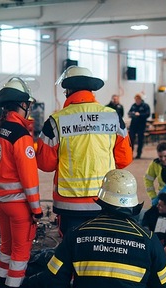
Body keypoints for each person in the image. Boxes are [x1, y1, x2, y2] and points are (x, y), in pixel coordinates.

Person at [35, 66, 133, 237]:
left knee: (71, 251)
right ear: (91, 89)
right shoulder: (112, 116)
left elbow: (45, 164)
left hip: (69, 204)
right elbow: (124, 159)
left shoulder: (55, 121)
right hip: (105, 199)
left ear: (68, 90)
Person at [0, 77, 42, 288]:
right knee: (20, 254)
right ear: (20, 104)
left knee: (5, 249)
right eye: (26, 104)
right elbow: (29, 177)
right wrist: (37, 210)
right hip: (19, 205)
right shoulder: (21, 135)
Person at [128, 93, 151, 159]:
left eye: (138, 100)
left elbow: (147, 114)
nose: (137, 101)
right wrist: (133, 114)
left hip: (141, 125)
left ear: (140, 100)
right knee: (131, 139)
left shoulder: (145, 106)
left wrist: (140, 114)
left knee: (140, 140)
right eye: (136, 100)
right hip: (133, 125)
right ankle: (130, 153)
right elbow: (129, 113)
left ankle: (139, 153)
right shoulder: (133, 106)